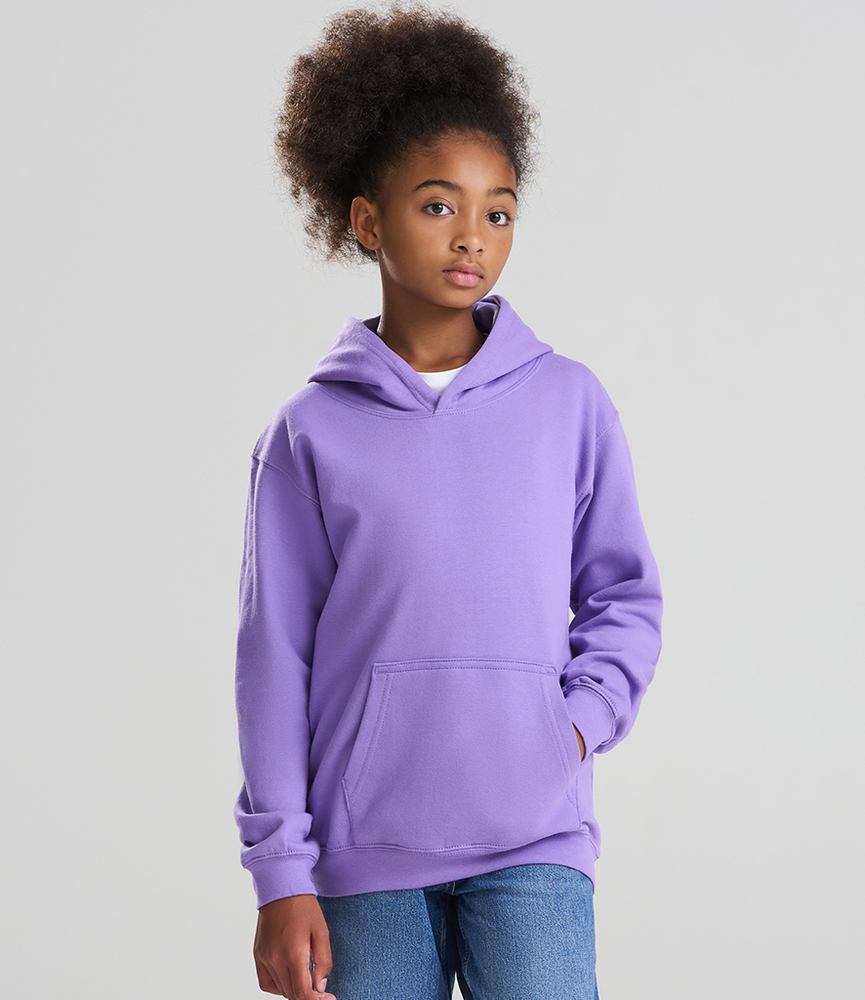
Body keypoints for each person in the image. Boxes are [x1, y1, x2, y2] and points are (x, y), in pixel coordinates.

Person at [232, 4, 663, 999]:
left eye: (497, 212)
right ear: (367, 221)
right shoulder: (309, 433)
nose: (471, 235)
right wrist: (280, 873)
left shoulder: (568, 403)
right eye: (437, 205)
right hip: (363, 856)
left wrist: (572, 725)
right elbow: (272, 660)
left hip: (535, 838)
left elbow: (624, 595)